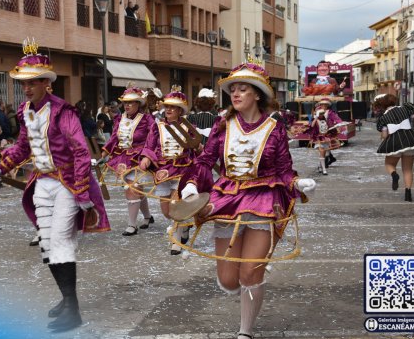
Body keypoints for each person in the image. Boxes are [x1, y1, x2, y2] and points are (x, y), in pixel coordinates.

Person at [179, 60, 316, 339]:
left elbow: (283, 168)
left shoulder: (274, 128)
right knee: (229, 281)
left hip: (264, 199)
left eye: (243, 89)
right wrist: (192, 185)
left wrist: (297, 182)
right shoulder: (223, 125)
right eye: (233, 90)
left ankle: (245, 331)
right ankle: (251, 277)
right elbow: (205, 160)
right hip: (227, 200)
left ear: (257, 94)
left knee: (250, 274)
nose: (236, 94)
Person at [0, 38, 110, 332]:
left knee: (60, 242)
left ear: (47, 83)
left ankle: (74, 310)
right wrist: (0, 168)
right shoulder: (25, 111)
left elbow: (82, 151)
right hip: (42, 183)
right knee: (47, 244)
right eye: (24, 83)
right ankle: (67, 299)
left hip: (68, 184)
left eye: (33, 82)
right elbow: (22, 147)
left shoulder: (63, 112)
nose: (27, 88)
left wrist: (82, 191)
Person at [139, 86, 197, 255]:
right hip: (162, 169)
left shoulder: (189, 127)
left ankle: (176, 241)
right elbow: (150, 145)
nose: (169, 110)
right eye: (167, 107)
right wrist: (146, 157)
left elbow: (197, 149)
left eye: (173, 107)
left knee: (176, 205)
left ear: (180, 110)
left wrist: (199, 147)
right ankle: (184, 227)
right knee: (166, 211)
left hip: (183, 168)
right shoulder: (157, 127)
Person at [101, 86, 155, 235]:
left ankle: (132, 225)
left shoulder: (146, 119)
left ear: (138, 104)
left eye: (131, 102)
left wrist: (148, 155)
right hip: (121, 158)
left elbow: (153, 139)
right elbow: (113, 138)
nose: (127, 105)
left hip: (138, 158)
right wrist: (105, 151)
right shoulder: (119, 118)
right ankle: (148, 217)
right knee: (136, 188)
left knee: (132, 188)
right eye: (125, 102)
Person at [373, 94, 414, 202]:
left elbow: (385, 135)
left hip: (395, 142)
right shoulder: (405, 108)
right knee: (408, 169)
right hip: (410, 140)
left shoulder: (383, 117)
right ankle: (408, 194)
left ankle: (394, 174)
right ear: (394, 101)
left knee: (389, 164)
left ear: (383, 105)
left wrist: (384, 137)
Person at [307, 98, 344, 174]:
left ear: (328, 105)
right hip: (318, 134)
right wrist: (315, 118)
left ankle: (322, 165)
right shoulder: (317, 111)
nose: (324, 106)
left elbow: (337, 119)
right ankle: (324, 168)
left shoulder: (331, 113)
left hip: (327, 133)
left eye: (325, 104)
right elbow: (312, 123)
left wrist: (341, 124)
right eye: (322, 104)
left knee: (326, 152)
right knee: (322, 152)